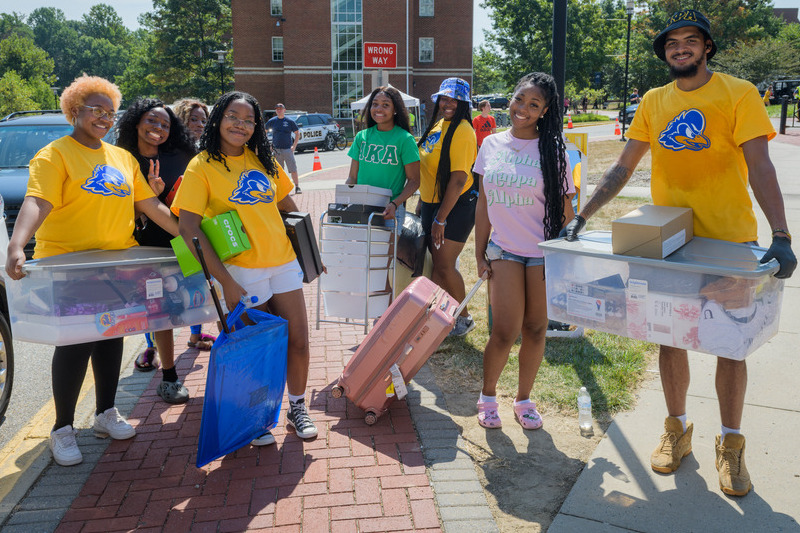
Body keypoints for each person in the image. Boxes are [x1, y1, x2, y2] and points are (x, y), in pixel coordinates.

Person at [562, 9, 797, 497]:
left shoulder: (739, 93)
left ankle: (731, 445)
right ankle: (677, 430)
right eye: (672, 43)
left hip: (729, 243)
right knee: (669, 336)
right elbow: (623, 168)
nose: (680, 48)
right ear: (665, 52)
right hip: (669, 242)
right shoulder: (653, 100)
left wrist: (781, 234)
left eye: (691, 40)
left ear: (707, 47)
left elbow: (761, 166)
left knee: (730, 345)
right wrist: (583, 217)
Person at [5, 75, 179, 466]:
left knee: (111, 337)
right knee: (74, 344)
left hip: (116, 264)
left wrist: (190, 239)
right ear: (74, 110)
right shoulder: (55, 155)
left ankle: (105, 414)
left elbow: (152, 207)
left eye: (109, 112)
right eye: (95, 110)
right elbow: (38, 201)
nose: (103, 118)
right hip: (71, 266)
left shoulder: (122, 158)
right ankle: (63, 429)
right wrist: (18, 244)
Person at [171, 91, 318, 446]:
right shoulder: (201, 165)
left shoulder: (263, 159)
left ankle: (296, 408)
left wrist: (309, 251)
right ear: (219, 119)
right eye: (233, 117)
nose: (241, 125)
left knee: (297, 340)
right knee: (258, 348)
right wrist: (226, 282)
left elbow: (287, 206)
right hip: (241, 271)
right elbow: (187, 229)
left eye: (249, 120)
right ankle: (255, 417)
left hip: (282, 261)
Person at [474, 72, 574, 431]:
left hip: (544, 252)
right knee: (504, 330)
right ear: (510, 99)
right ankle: (487, 398)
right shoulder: (490, 145)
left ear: (545, 111)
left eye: (534, 105)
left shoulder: (555, 149)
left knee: (535, 328)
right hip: (505, 250)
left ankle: (523, 400)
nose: (523, 109)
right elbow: (484, 202)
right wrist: (479, 250)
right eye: (520, 100)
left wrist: (568, 255)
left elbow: (565, 208)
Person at [116, 98, 203, 404]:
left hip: (184, 242)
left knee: (202, 301)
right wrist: (147, 198)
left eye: (165, 124)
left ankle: (227, 363)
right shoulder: (121, 160)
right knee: (161, 312)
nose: (158, 129)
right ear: (136, 122)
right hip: (145, 248)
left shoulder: (182, 154)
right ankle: (169, 376)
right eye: (152, 121)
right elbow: (114, 209)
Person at [417, 77, 478, 336]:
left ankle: (464, 318)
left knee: (444, 264)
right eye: (444, 98)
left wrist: (440, 218)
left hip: (456, 206)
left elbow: (458, 179)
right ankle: (444, 315)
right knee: (437, 264)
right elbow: (430, 170)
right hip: (433, 203)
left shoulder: (463, 130)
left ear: (463, 102)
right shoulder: (439, 124)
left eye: (454, 99)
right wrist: (423, 202)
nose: (447, 103)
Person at [172, 98, 218, 350]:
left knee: (197, 283)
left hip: (196, 227)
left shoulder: (204, 152)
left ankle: (195, 335)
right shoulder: (170, 152)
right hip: (170, 228)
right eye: (194, 119)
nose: (200, 124)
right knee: (168, 291)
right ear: (181, 120)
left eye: (203, 120)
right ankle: (151, 347)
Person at [347, 86, 420, 228]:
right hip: (362, 209)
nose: (378, 109)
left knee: (386, 251)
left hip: (390, 211)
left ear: (396, 110)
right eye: (375, 104)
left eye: (385, 105)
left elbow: (414, 181)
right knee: (362, 250)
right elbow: (352, 178)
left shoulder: (405, 139)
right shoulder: (361, 137)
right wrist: (344, 198)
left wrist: (395, 204)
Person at [266, 103, 301, 194]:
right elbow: (264, 132)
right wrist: (269, 145)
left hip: (287, 149)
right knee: (278, 171)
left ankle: (297, 187)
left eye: (280, 109)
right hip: (276, 150)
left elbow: (297, 133)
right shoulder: (272, 121)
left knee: (293, 169)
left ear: (284, 110)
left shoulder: (289, 121)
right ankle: (281, 189)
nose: (279, 110)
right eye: (277, 109)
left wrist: (294, 146)